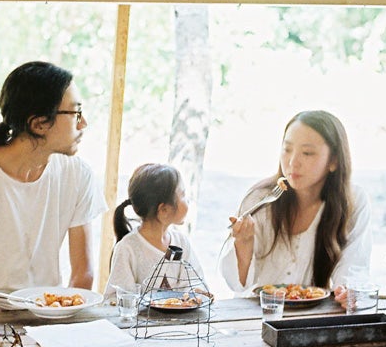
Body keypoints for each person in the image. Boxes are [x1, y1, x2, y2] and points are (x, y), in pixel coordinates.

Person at [0, 61, 107, 311]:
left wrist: (57, 314)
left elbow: (83, 274)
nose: (83, 124)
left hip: (50, 316)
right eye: (75, 113)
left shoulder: (78, 174)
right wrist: (7, 325)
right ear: (38, 123)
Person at [219, 110, 372, 298]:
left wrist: (347, 292)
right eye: (287, 149)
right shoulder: (260, 200)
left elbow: (353, 266)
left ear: (333, 161)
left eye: (307, 153)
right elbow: (237, 285)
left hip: (311, 317)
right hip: (256, 314)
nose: (293, 162)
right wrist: (243, 243)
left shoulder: (353, 202)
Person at [104, 163, 206, 299]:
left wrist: (196, 294)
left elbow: (196, 284)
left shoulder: (181, 242)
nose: (187, 200)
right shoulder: (127, 248)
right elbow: (115, 299)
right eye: (183, 194)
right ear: (164, 210)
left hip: (181, 320)